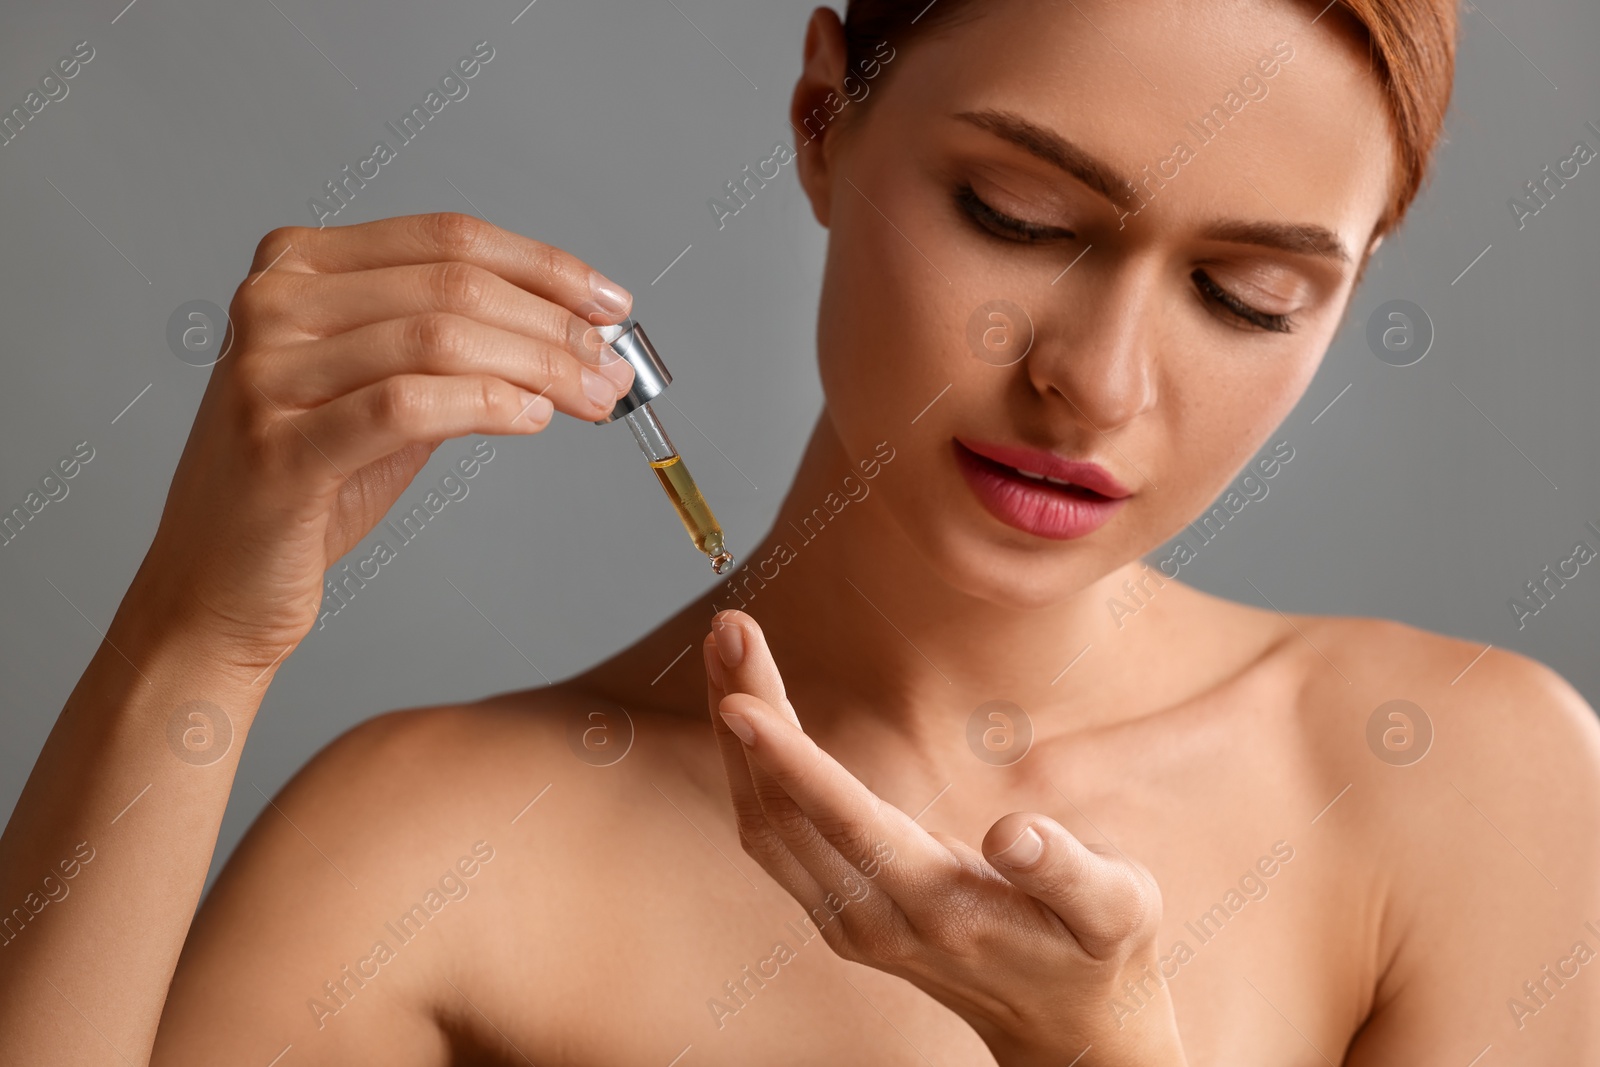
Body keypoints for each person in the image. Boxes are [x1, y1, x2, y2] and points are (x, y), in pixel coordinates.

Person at [4, 0, 1598, 1063]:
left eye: (1249, 297)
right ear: (827, 115)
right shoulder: (430, 850)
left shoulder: (1465, 786)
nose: (1096, 383)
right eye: (1018, 220)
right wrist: (195, 633)